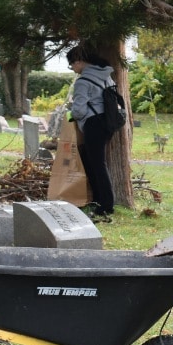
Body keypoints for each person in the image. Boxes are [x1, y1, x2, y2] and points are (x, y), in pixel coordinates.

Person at [67, 44, 116, 221]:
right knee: (93, 161)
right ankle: (97, 200)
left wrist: (70, 113)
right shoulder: (106, 75)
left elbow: (79, 110)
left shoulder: (83, 81)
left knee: (97, 164)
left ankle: (106, 205)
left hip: (93, 124)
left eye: (72, 64)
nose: (72, 68)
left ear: (79, 62)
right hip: (108, 122)